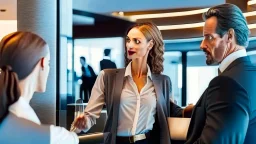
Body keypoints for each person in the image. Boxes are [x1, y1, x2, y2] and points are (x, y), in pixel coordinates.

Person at [72, 22, 184, 144]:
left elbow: (173, 112)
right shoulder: (107, 76)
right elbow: (90, 115)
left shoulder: (163, 82)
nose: (130, 45)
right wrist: (84, 123)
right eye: (128, 40)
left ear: (150, 45)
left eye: (137, 41)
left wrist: (198, 107)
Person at [186, 4, 256, 144]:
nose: (202, 44)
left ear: (229, 36)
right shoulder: (250, 74)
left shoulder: (226, 84)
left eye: (209, 37)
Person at [0, 31, 79, 144]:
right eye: (49, 63)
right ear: (42, 63)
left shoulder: (9, 117)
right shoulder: (50, 135)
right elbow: (70, 140)